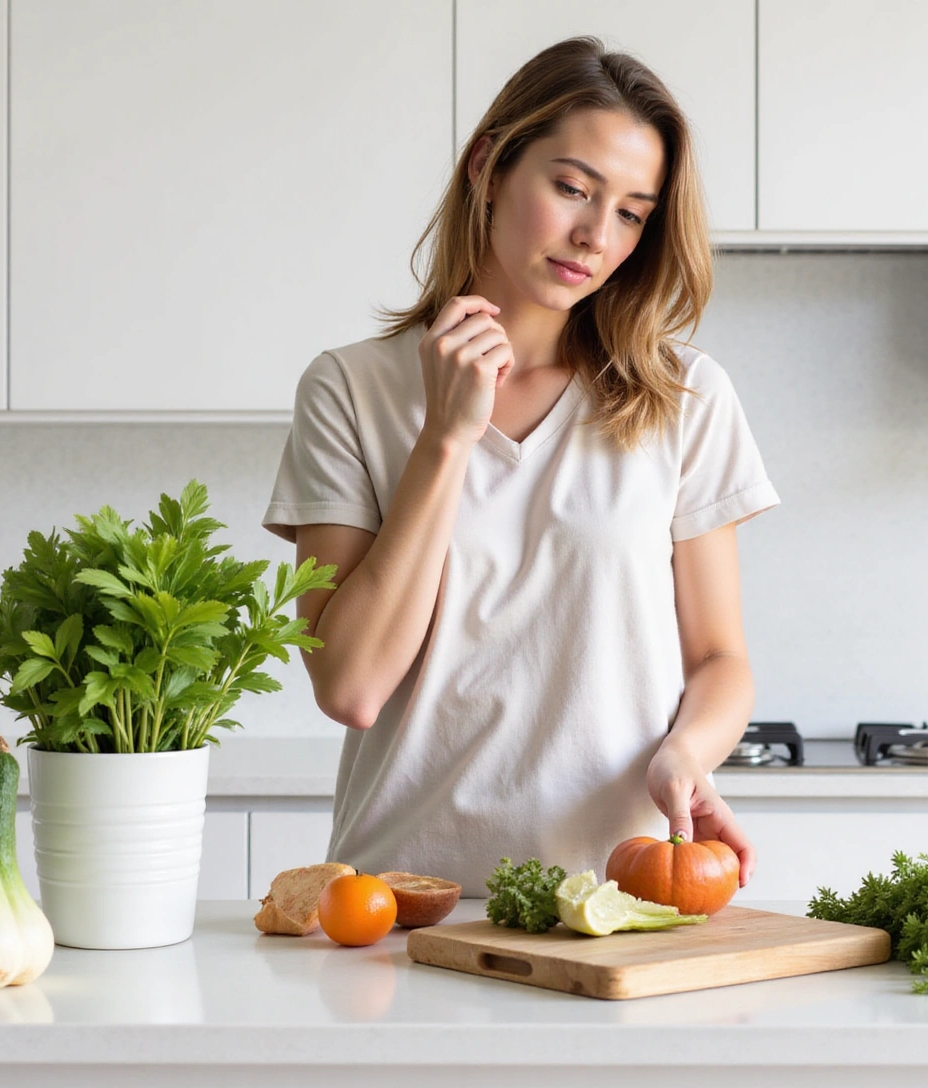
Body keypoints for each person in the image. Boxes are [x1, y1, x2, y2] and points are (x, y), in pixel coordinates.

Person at [262, 37, 778, 896]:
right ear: (489, 167)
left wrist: (686, 753)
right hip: (402, 904)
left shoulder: (683, 396)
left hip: (611, 901)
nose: (594, 236)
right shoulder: (350, 389)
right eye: (572, 188)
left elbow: (721, 658)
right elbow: (351, 687)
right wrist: (445, 438)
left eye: (631, 213)